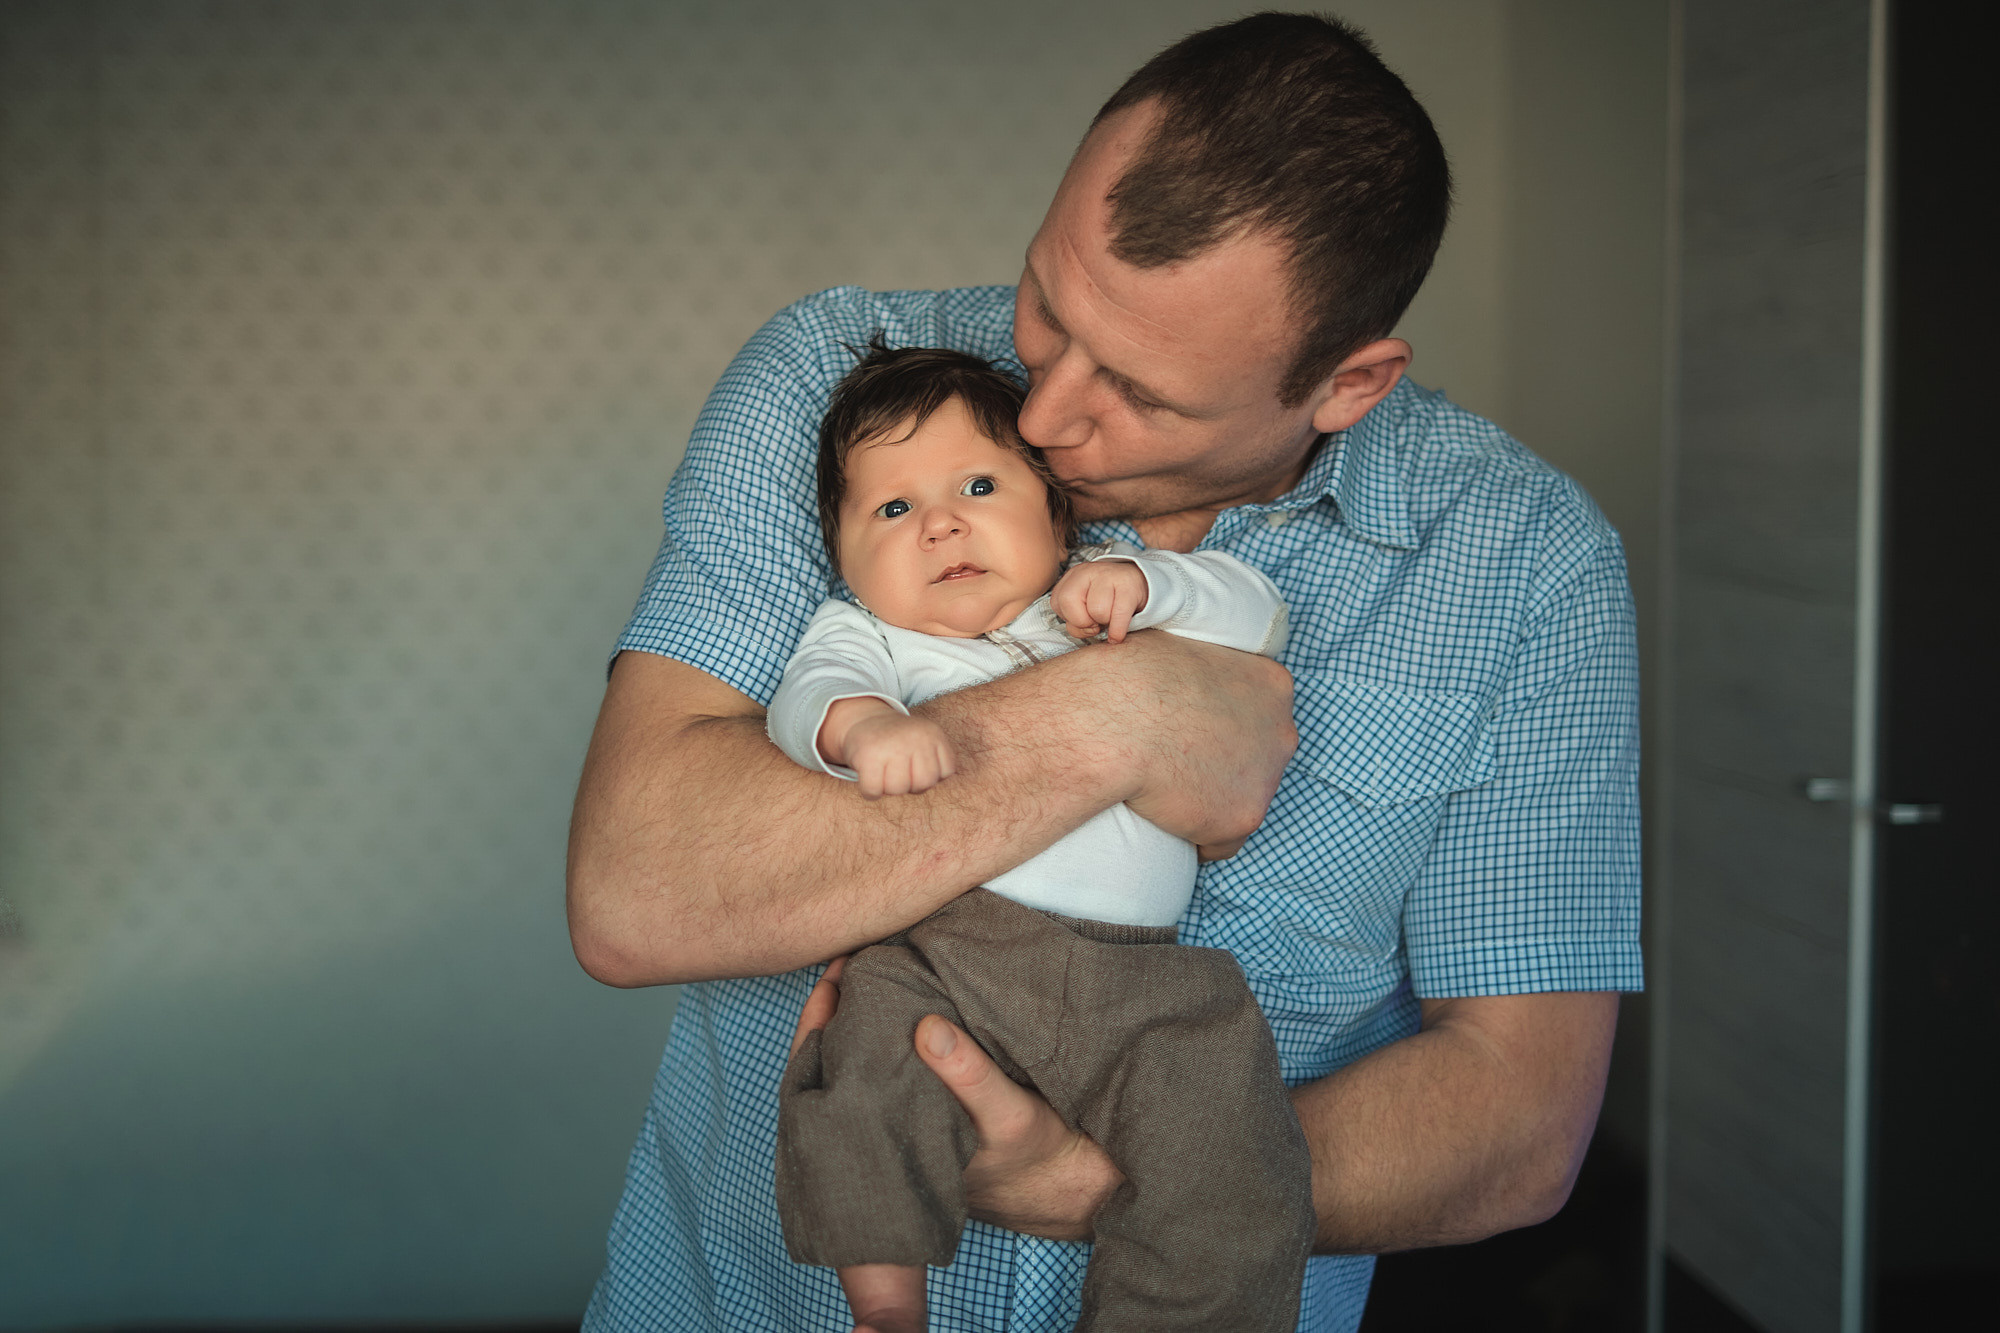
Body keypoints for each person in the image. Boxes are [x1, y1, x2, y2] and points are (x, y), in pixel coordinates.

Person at [567, 13, 1641, 1332]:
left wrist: (1107, 1185)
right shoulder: (846, 384)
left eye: (1142, 393)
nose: (1041, 414)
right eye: (1045, 308)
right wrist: (1108, 717)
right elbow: (636, 886)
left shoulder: (1529, 567)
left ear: (1349, 385)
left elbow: (1519, 1123)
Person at [768, 341, 1311, 1333]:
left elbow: (1253, 610)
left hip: (1140, 976)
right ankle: (886, 1305)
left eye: (978, 484)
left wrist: (1154, 590)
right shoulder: (871, 640)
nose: (940, 522)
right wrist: (862, 726)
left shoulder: (1100, 594)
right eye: (891, 509)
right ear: (844, 560)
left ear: (1057, 511)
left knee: (1226, 1138)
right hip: (947, 951)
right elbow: (803, 698)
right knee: (864, 1072)